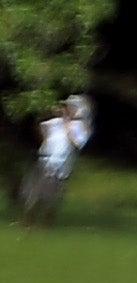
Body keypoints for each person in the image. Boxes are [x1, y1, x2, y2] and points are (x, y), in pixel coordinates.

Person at [17, 97, 86, 226]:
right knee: (32, 196)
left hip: (59, 166)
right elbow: (40, 127)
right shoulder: (55, 122)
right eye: (65, 107)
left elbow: (77, 144)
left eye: (69, 108)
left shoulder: (79, 127)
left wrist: (67, 126)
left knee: (49, 200)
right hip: (44, 160)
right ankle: (26, 226)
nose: (66, 110)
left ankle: (46, 227)